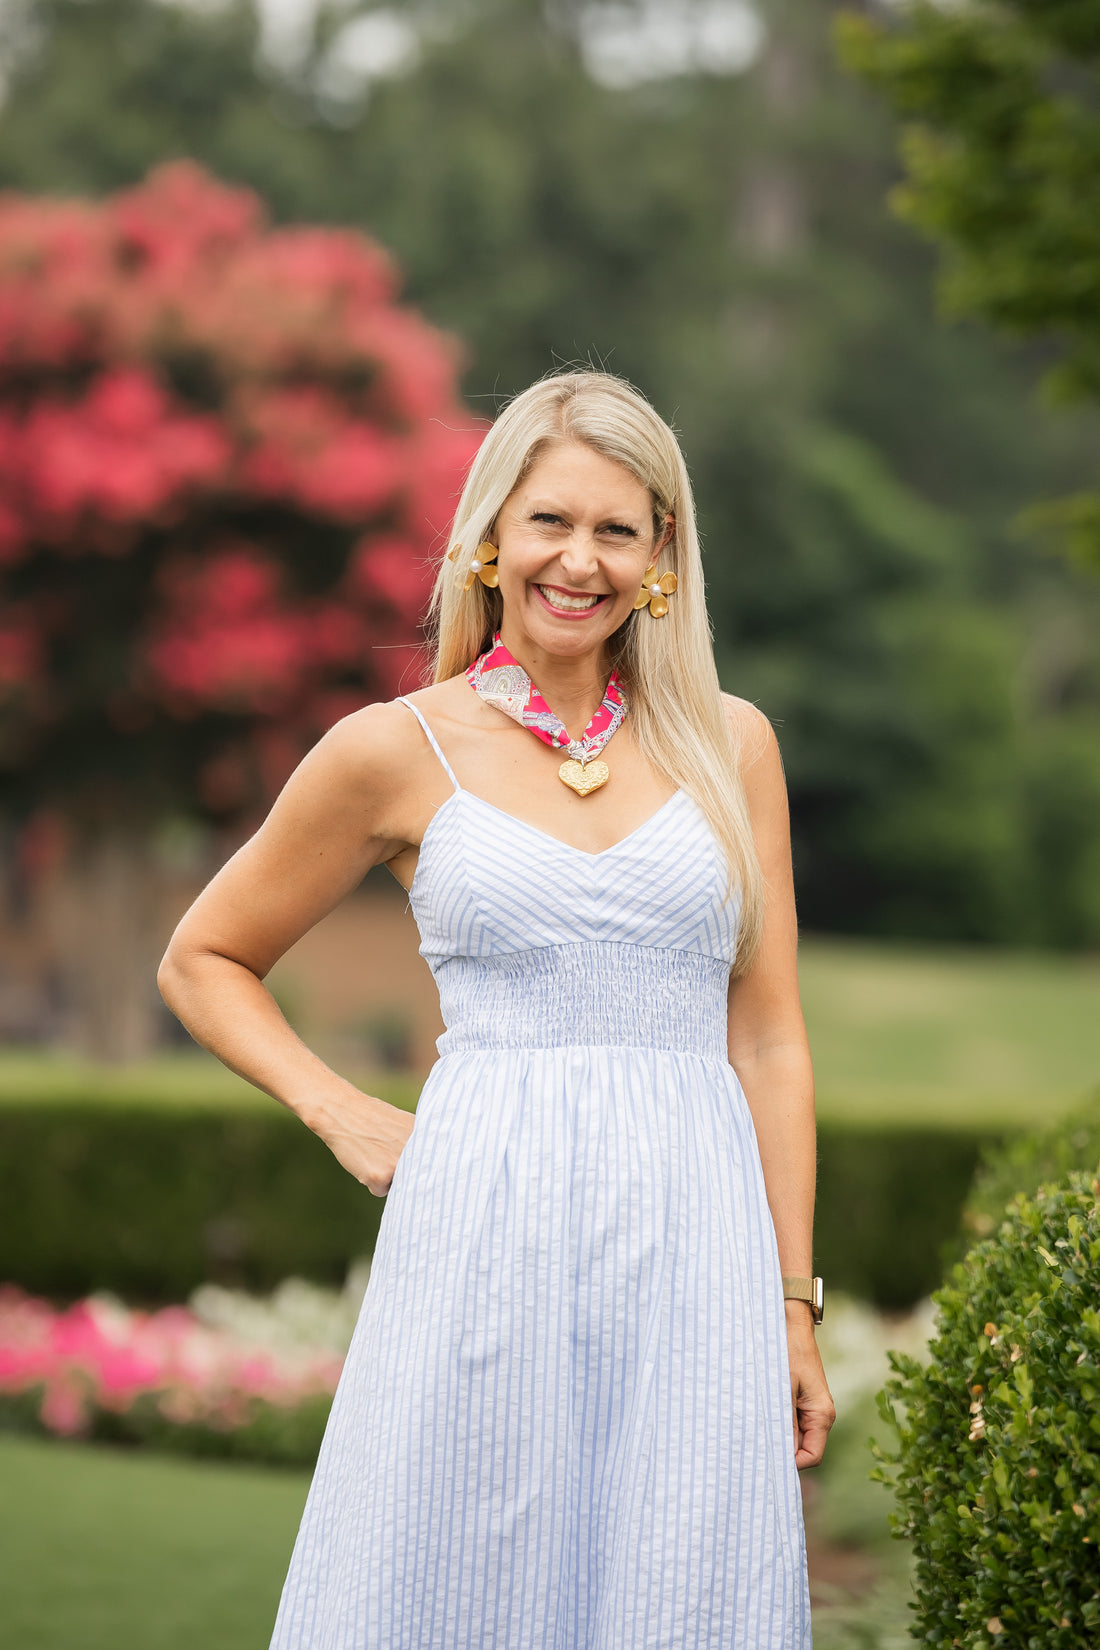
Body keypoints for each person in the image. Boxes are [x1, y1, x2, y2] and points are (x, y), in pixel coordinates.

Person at [158, 369, 835, 1648]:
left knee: (684, 1582)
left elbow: (766, 1035)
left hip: (695, 1245)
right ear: (488, 537)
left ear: (659, 557)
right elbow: (203, 958)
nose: (578, 561)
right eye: (548, 522)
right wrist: (340, 1111)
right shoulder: (392, 748)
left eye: (615, 530)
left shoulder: (732, 745)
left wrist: (790, 1305)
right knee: (455, 1577)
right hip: (482, 1230)